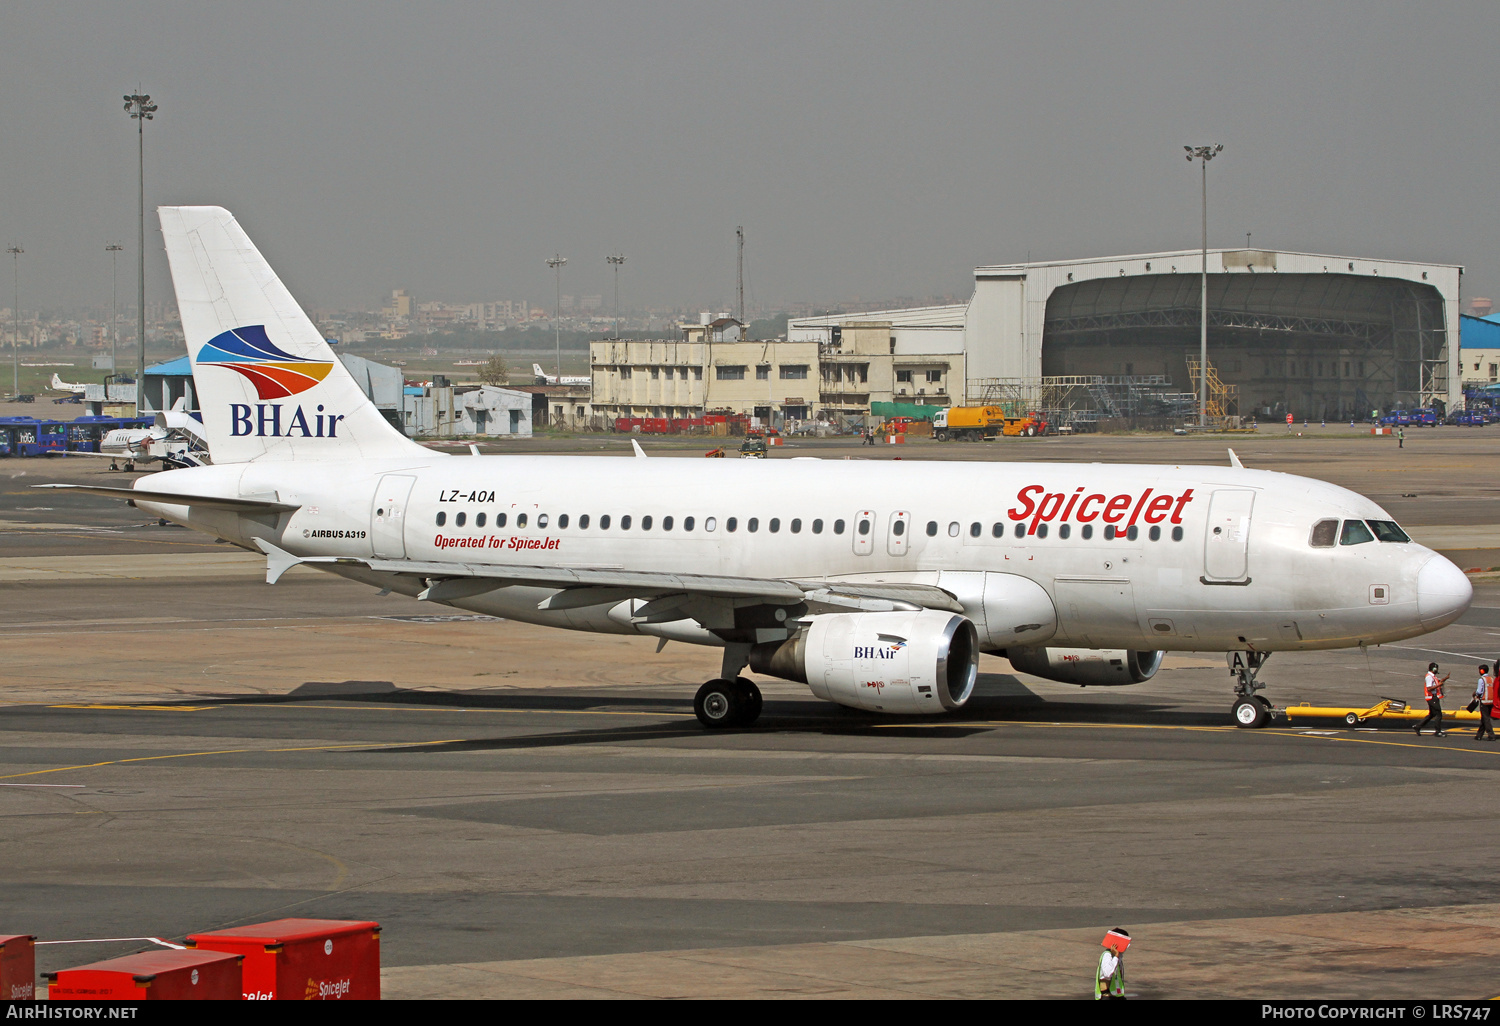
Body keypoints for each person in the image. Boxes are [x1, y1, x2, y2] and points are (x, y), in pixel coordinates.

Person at [1414, 662, 1448, 736]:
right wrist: (1439, 685)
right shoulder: (1429, 677)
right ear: (1434, 669)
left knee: (1432, 714)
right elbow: (1429, 688)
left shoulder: (1432, 676)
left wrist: (1444, 679)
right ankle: (1438, 731)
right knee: (1438, 714)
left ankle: (1418, 726)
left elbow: (1436, 683)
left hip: (1432, 697)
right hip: (1432, 697)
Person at [1095, 928, 1129, 1000]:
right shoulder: (1107, 955)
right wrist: (1116, 957)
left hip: (1116, 996)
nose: (1127, 946)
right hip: (1107, 996)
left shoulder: (1117, 957)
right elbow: (1107, 973)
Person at [1477, 664, 1496, 742]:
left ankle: (1491, 734)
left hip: (1484, 701)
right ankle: (1479, 735)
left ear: (1482, 671)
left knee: (1486, 718)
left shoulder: (1481, 680)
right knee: (1484, 718)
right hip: (1491, 701)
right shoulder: (1491, 679)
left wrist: (1475, 694)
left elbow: (1479, 691)